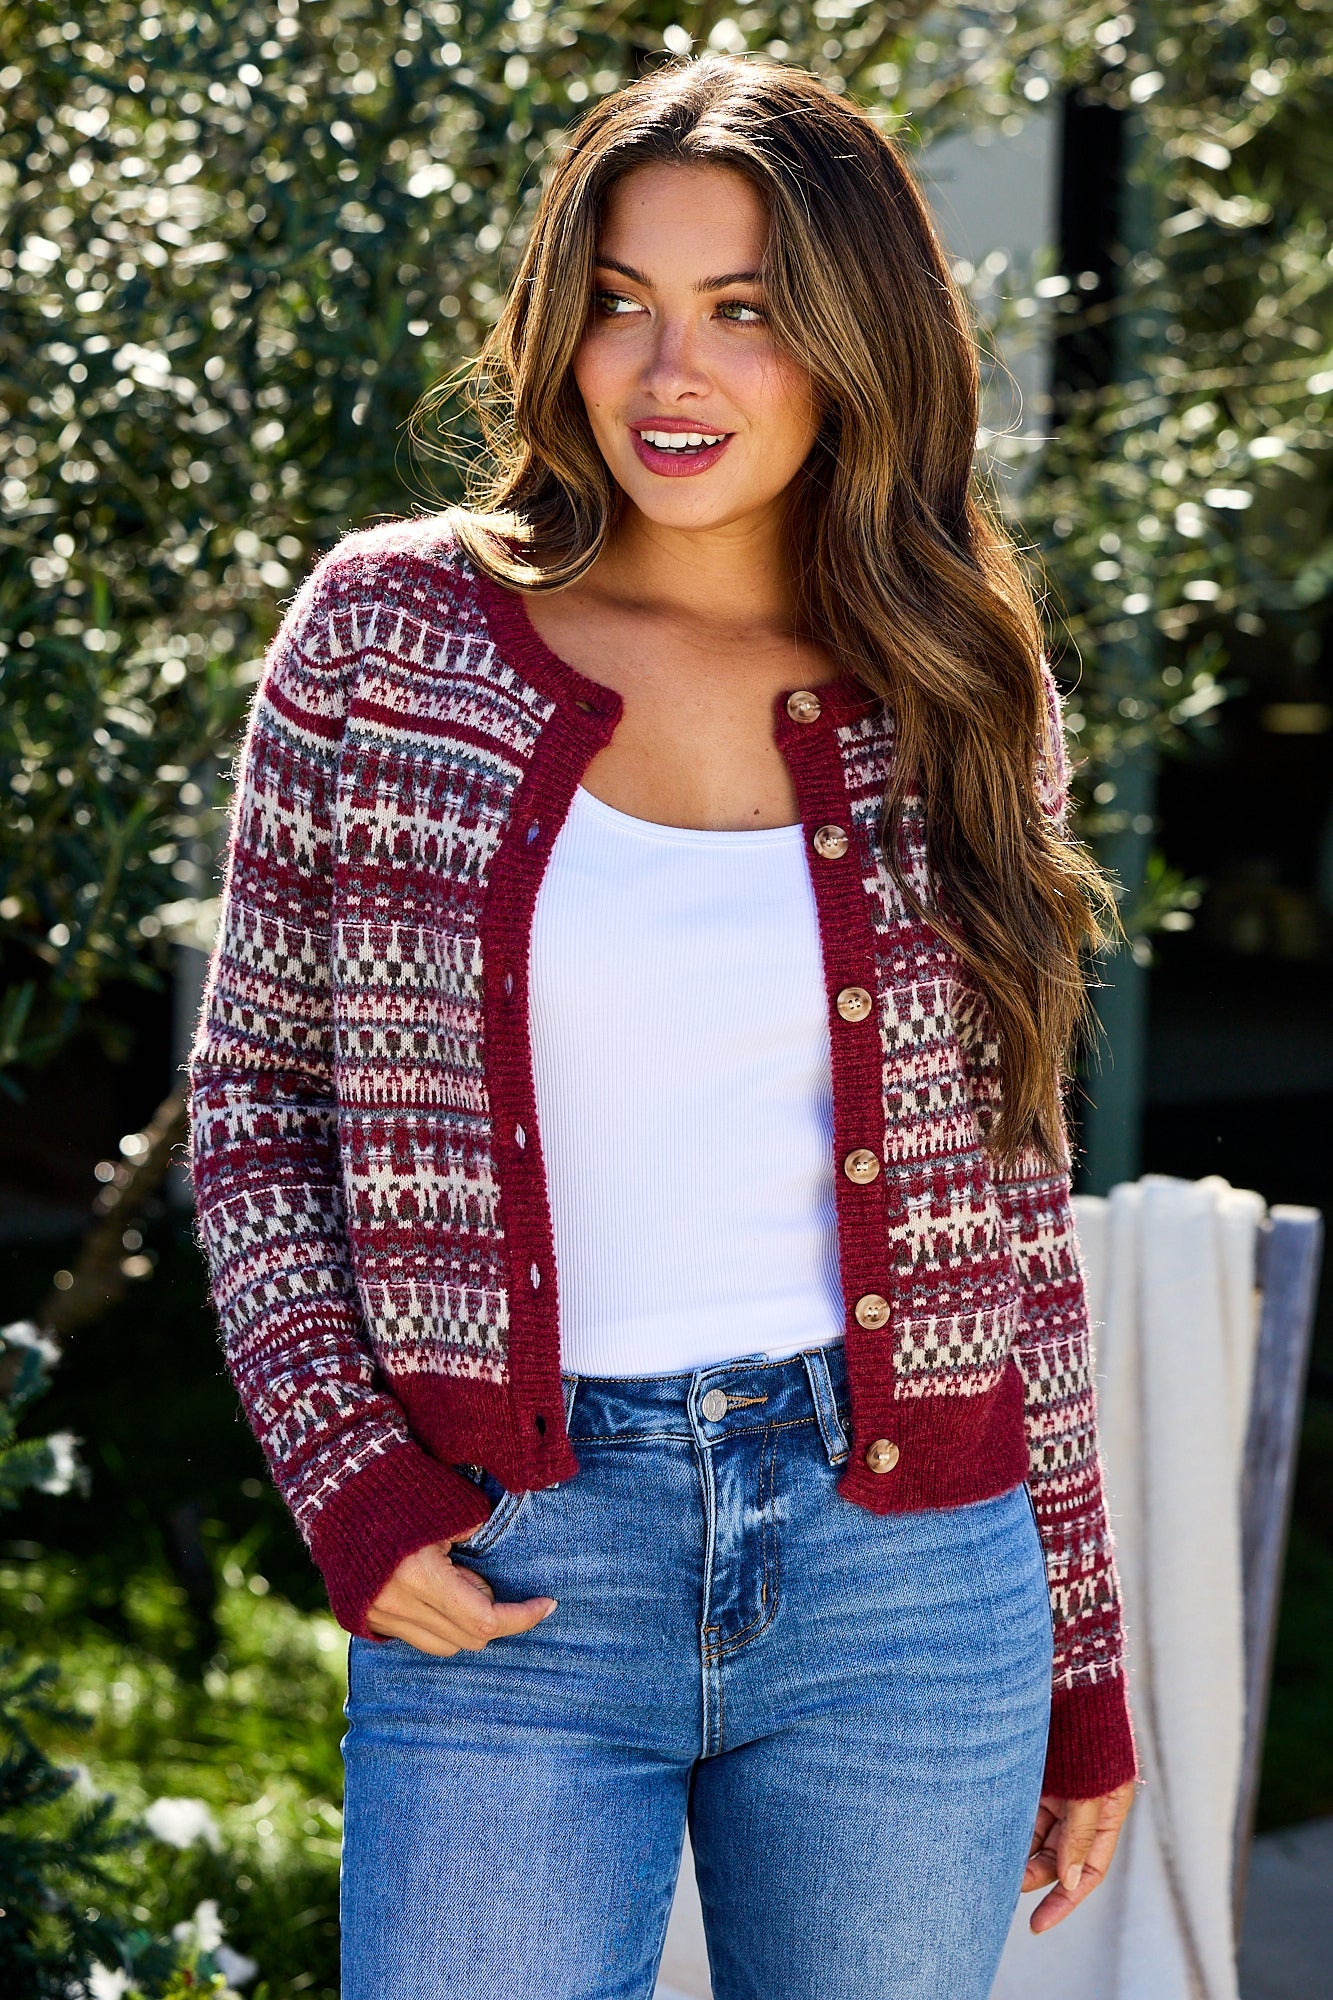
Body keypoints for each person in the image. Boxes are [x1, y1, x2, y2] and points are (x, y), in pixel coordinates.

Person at [188, 52, 1137, 2000]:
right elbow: (254, 1102)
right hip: (511, 1560)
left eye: (744, 309)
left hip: (906, 1573)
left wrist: (1085, 1661)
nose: (664, 370)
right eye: (617, 300)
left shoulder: (956, 681)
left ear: (861, 336)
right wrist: (347, 1478)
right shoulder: (388, 638)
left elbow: (1013, 1194)